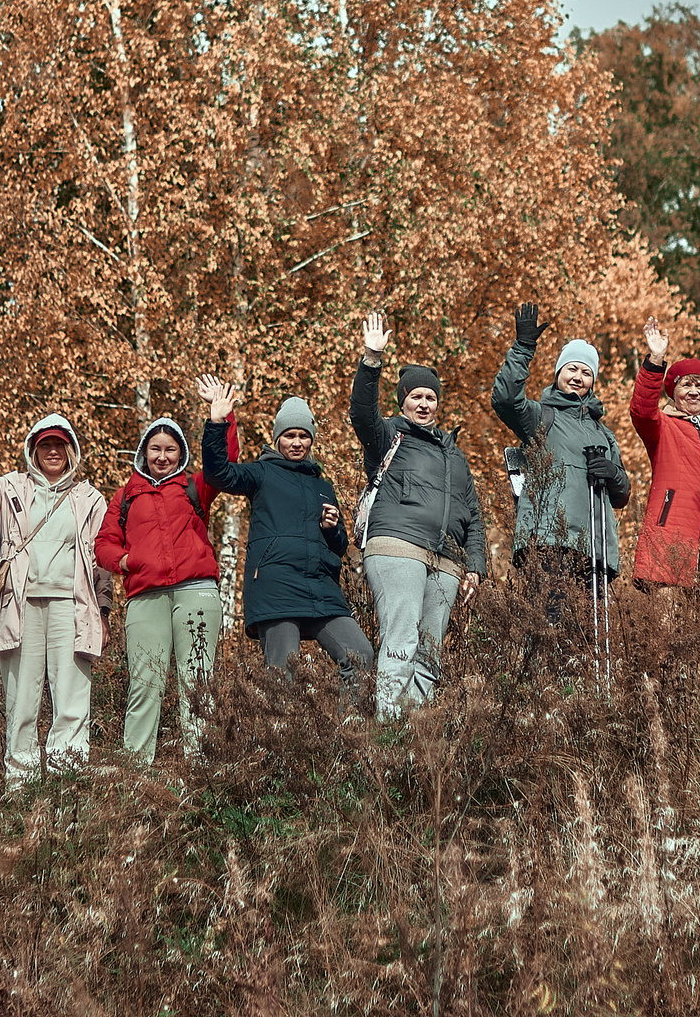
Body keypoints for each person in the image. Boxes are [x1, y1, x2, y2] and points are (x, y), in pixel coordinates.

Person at [0, 406, 111, 785]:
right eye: (45, 444)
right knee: (21, 700)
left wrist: (103, 612)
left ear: (71, 451)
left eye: (60, 444)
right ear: (33, 451)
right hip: (21, 608)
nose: (53, 451)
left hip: (72, 608)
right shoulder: (12, 487)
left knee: (71, 700)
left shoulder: (89, 498)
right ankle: (21, 787)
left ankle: (66, 784)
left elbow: (101, 560)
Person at [351, 312, 490, 719]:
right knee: (401, 639)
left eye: (430, 397)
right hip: (397, 547)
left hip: (446, 562)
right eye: (416, 397)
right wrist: (372, 360)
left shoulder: (455, 456)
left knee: (430, 655)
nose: (424, 404)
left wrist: (475, 567)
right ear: (404, 401)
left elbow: (474, 516)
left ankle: (411, 738)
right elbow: (362, 413)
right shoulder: (388, 436)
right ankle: (388, 733)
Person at [197, 376, 373, 681]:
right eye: (289, 435)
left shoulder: (323, 487)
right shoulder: (262, 473)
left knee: (360, 655)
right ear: (278, 438)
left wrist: (331, 529)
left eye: (303, 436)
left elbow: (340, 546)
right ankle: (282, 718)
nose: (297, 442)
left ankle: (345, 716)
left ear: (311, 439)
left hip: (321, 589)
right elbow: (218, 474)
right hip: (276, 588)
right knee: (283, 675)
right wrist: (216, 422)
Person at [489, 303, 629, 631]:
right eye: (572, 369)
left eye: (586, 372)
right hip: (549, 542)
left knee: (584, 637)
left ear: (593, 380)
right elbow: (505, 400)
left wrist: (612, 473)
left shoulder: (603, 433)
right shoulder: (541, 417)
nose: (578, 377)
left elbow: (622, 494)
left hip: (594, 548)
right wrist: (523, 347)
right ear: (558, 373)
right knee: (547, 630)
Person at [93, 415, 222, 763]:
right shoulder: (125, 496)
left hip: (196, 591)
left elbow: (222, 459)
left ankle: (202, 769)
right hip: (145, 595)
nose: (162, 457)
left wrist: (220, 419)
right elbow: (103, 543)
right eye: (155, 449)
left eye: (170, 449)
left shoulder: (195, 486)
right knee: (145, 684)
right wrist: (125, 561)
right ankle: (137, 774)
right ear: (143, 452)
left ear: (181, 453)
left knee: (197, 682)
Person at [628, 320, 700, 674]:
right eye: (685, 384)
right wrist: (656, 359)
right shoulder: (661, 427)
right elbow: (641, 409)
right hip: (670, 546)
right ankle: (654, 701)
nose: (694, 391)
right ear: (673, 391)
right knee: (662, 644)